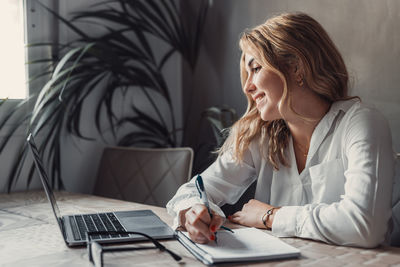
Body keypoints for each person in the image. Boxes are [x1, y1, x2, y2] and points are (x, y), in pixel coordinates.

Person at [166, 12, 395, 248]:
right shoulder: (260, 134)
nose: (247, 87)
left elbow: (365, 226)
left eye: (255, 69)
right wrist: (194, 211)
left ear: (295, 67)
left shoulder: (362, 123)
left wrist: (271, 216)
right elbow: (193, 190)